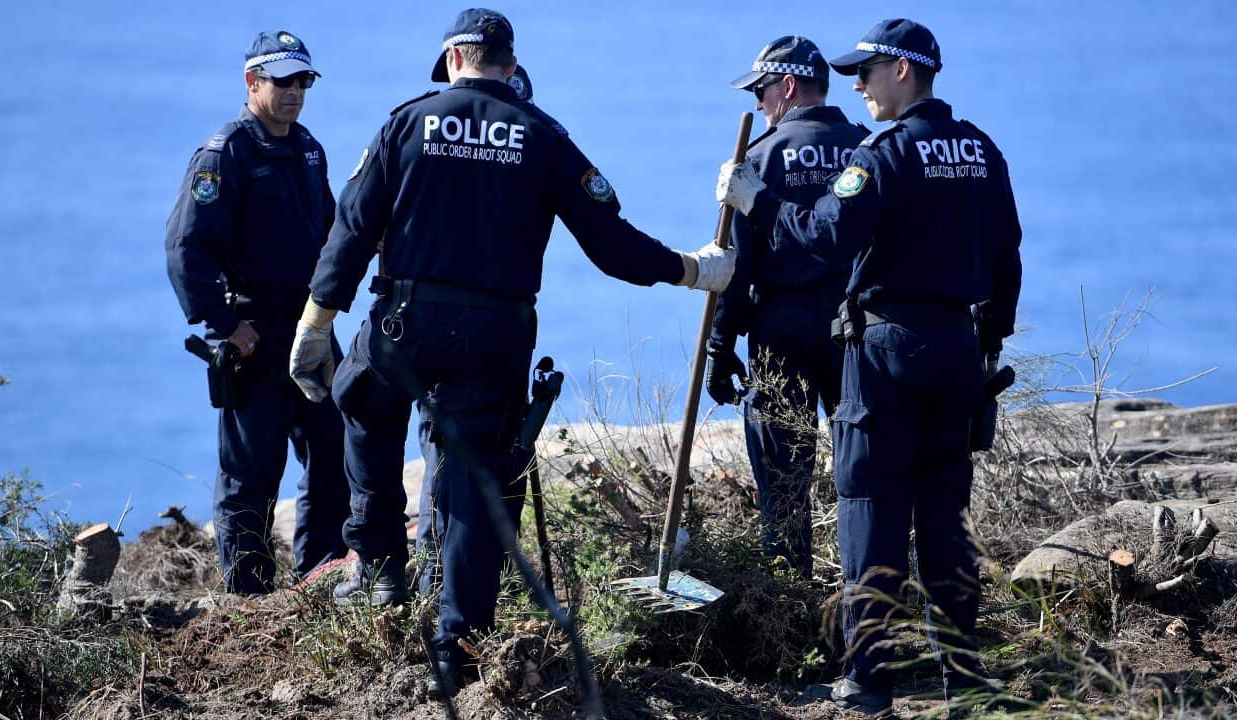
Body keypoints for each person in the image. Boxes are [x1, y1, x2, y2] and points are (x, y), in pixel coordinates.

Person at [287, 8, 735, 697]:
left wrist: (316, 325)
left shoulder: (407, 122)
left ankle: (377, 571)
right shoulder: (544, 135)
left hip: (406, 319)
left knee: (361, 402)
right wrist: (692, 270)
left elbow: (351, 231)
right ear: (506, 61)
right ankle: (456, 645)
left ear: (456, 58)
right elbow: (610, 244)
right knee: (475, 483)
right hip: (495, 334)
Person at [716, 18, 1023, 717]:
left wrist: (756, 201)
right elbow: (1008, 255)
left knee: (869, 510)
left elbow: (828, 236)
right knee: (945, 515)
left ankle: (868, 680)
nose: (857, 84)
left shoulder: (883, 153)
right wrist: (990, 346)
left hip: (887, 351)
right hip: (959, 350)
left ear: (905, 72)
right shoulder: (980, 149)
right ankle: (965, 680)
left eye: (870, 72)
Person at [166, 31, 350, 595]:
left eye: (303, 82)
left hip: (310, 328)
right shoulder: (225, 154)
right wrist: (226, 326)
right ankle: (249, 595)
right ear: (252, 82)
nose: (295, 92)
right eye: (283, 81)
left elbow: (331, 229)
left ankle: (318, 577)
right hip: (252, 334)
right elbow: (186, 250)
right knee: (252, 470)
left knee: (334, 448)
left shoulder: (308, 147)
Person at [707, 36, 866, 577]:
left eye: (762, 90)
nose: (757, 104)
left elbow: (735, 266)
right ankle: (871, 590)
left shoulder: (757, 159)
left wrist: (719, 347)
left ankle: (789, 602)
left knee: (783, 482)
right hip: (857, 333)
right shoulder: (868, 148)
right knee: (864, 476)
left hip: (782, 333)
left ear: (789, 87)